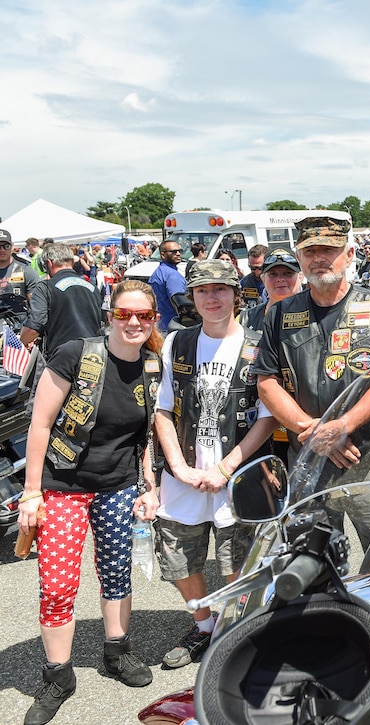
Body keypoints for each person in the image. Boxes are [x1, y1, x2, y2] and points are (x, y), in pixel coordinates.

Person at [16, 280, 163, 725]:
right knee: (58, 585)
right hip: (63, 486)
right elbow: (39, 426)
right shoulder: (77, 354)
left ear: (153, 320)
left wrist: (149, 483)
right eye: (124, 314)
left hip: (118, 486)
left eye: (143, 316)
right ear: (109, 315)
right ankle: (58, 676)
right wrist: (31, 491)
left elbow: (146, 434)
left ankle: (117, 651)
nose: (134, 322)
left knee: (117, 572)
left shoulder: (153, 367)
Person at [152, 260, 277, 669]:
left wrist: (227, 467)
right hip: (185, 472)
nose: (212, 298)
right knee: (179, 557)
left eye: (221, 289)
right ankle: (203, 626)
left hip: (236, 473)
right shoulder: (177, 342)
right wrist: (178, 466)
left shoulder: (259, 343)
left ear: (236, 295)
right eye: (203, 290)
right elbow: (163, 410)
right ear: (192, 296)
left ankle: (233, 630)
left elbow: (267, 415)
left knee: (235, 560)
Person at [254, 216, 370, 540]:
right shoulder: (281, 314)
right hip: (309, 457)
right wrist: (312, 431)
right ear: (300, 258)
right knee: (310, 560)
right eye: (310, 251)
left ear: (350, 254)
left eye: (329, 249)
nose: (319, 258)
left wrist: (343, 427)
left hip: (368, 457)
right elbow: (267, 381)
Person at [21, 243, 103, 358]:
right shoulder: (92, 288)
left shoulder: (45, 287)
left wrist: (20, 343)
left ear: (49, 263)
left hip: (62, 358)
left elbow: (33, 327)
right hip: (92, 356)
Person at [242, 246, 303, 331]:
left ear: (301, 277)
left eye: (288, 273)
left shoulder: (317, 315)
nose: (280, 279)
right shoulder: (245, 319)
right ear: (263, 279)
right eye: (273, 274)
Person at [149, 240, 188, 332]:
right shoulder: (172, 275)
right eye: (174, 252)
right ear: (163, 255)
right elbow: (181, 306)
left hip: (162, 325)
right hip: (173, 326)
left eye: (180, 251)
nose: (178, 254)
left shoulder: (159, 272)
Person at [0, 228, 39, 307]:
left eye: (6, 246)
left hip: (18, 317)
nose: (2, 250)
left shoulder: (25, 271)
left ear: (12, 246)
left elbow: (36, 306)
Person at [238, 244, 267, 309]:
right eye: (253, 268)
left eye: (260, 268)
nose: (257, 273)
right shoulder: (244, 283)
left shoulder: (279, 282)